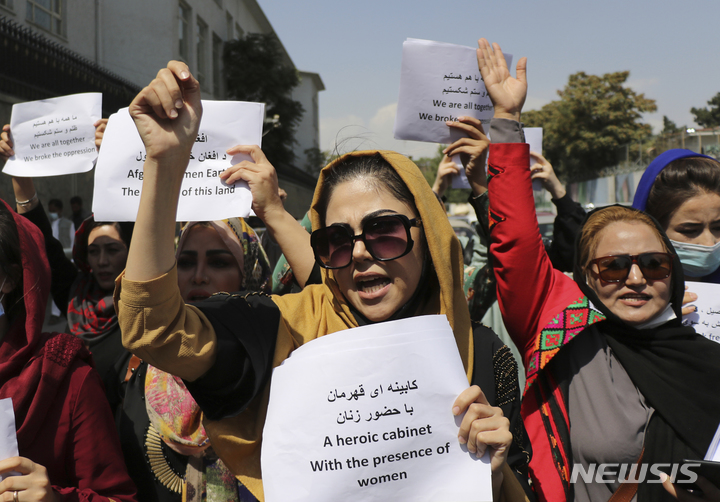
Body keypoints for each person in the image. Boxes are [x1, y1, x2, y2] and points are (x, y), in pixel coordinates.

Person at [115, 61, 530, 501]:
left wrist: (493, 478)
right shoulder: (284, 330)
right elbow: (152, 328)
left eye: (384, 231)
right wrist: (163, 163)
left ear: (426, 234)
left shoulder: (482, 354)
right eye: (336, 241)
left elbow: (523, 486)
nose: (361, 253)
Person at [477, 38, 720, 501]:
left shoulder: (709, 354)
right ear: (586, 277)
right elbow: (518, 246)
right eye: (612, 267)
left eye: (652, 264)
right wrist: (506, 124)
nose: (634, 278)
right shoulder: (568, 336)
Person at [123, 218, 272, 502]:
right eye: (186, 263)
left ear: (249, 277)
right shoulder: (135, 368)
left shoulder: (281, 372)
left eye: (219, 263)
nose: (199, 276)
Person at [0, 198, 137, 502]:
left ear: (7, 279)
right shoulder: (78, 296)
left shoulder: (67, 379)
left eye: (113, 250)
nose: (102, 260)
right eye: (94, 251)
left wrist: (56, 499)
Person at [632, 149, 720, 284]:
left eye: (718, 228)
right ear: (651, 227)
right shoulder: (613, 292)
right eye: (689, 231)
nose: (709, 244)